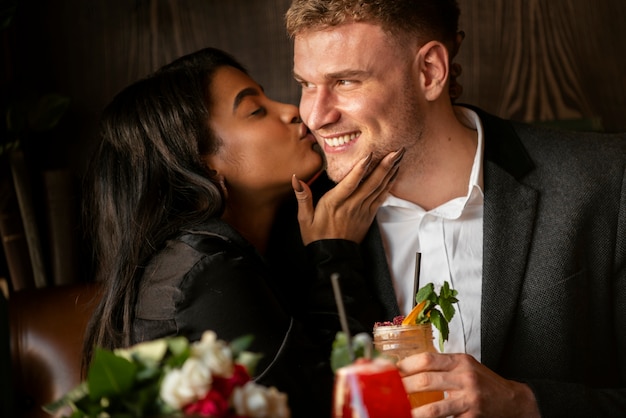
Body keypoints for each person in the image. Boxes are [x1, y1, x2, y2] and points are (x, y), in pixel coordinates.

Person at [281, 0, 626, 417]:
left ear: (430, 71)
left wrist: (526, 403)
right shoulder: (297, 222)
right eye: (306, 84)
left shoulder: (606, 181)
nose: (314, 116)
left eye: (347, 82)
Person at [80, 46, 403, 417]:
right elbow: (336, 405)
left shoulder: (219, 253)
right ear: (203, 162)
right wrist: (335, 252)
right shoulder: (206, 270)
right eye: (255, 111)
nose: (294, 111)